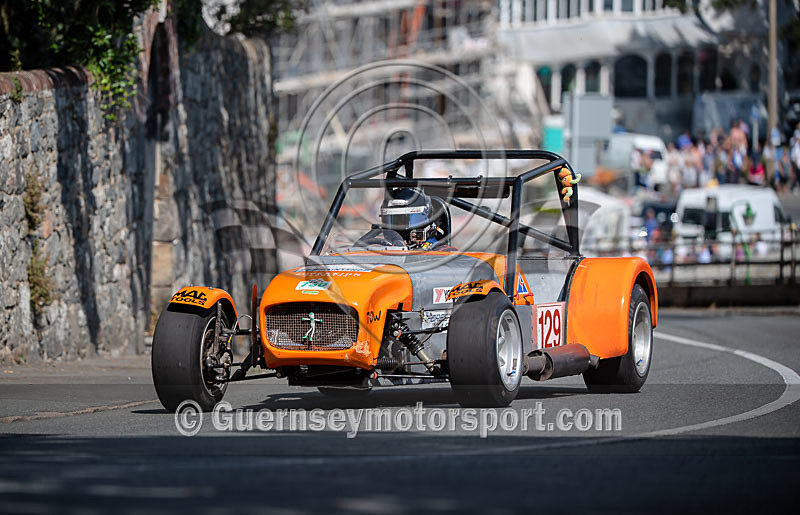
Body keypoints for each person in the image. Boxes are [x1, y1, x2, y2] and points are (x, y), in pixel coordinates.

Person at [358, 188, 453, 250]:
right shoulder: (380, 248)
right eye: (394, 219)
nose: (399, 227)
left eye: (403, 219)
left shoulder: (441, 251)